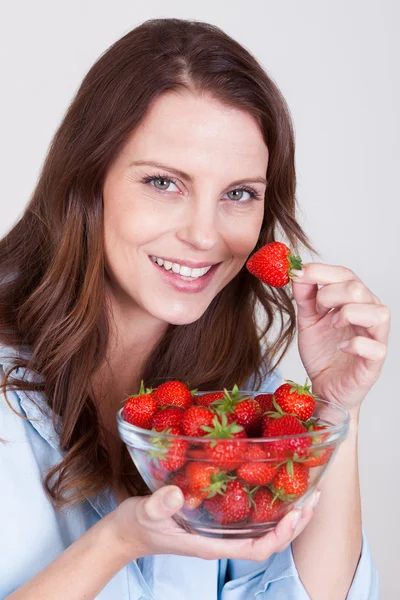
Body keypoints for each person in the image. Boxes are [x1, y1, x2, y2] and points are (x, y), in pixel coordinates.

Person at [0, 17, 387, 600]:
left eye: (238, 194)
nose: (205, 236)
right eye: (163, 183)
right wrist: (119, 541)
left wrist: (336, 410)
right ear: (87, 180)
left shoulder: (239, 399)